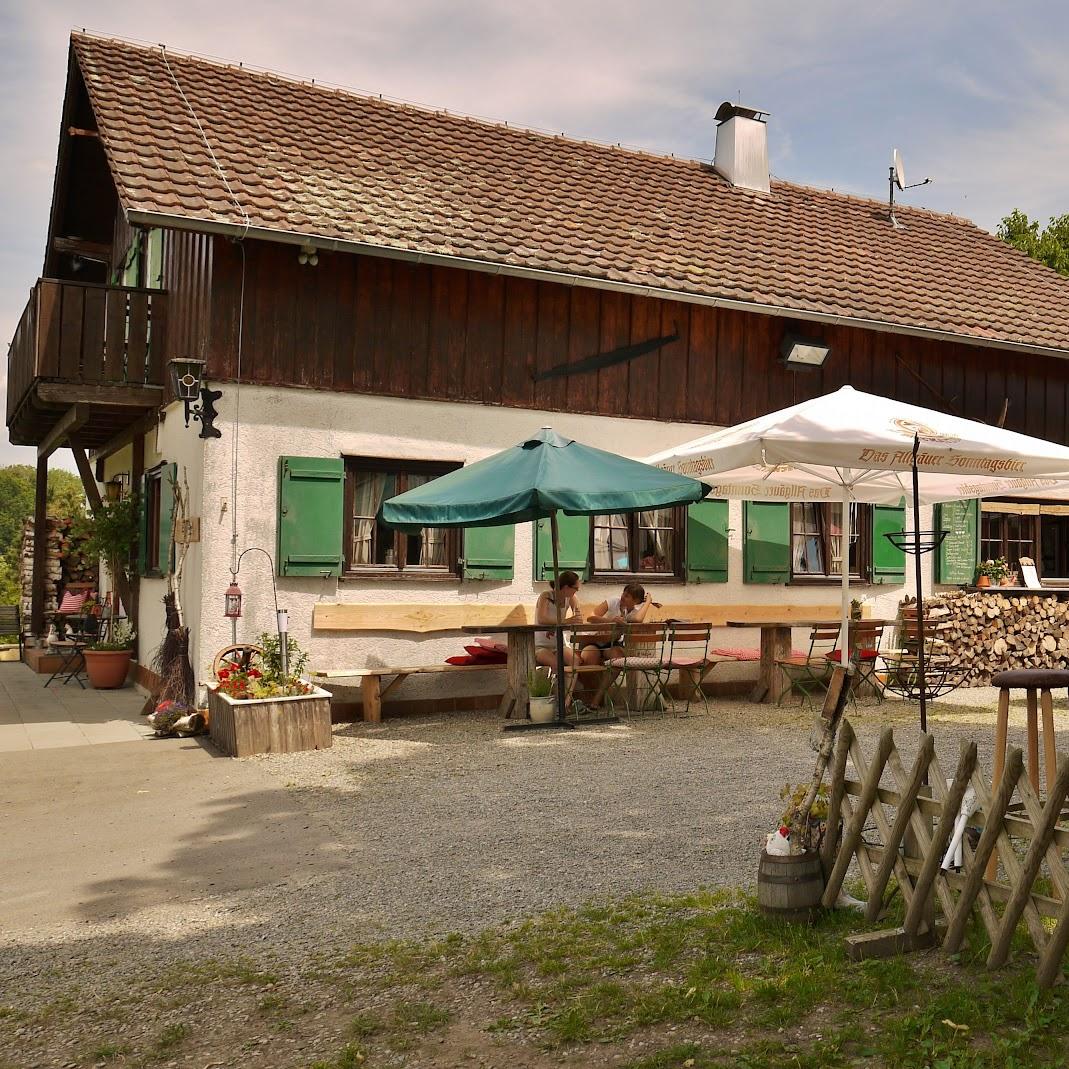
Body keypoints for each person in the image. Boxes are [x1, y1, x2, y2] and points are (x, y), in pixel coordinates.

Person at [582, 583, 658, 664]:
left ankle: (607, 677)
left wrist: (648, 602)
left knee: (619, 658)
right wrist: (611, 621)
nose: (622, 597)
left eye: (627, 596)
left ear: (635, 601)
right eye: (623, 593)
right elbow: (590, 618)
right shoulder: (613, 601)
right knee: (590, 657)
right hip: (594, 639)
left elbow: (638, 619)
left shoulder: (634, 611)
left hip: (612, 642)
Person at [534, 571, 583, 671]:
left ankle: (568, 687)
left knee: (576, 661)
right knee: (556, 664)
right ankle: (557, 687)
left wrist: (576, 615)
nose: (577, 591)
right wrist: (565, 621)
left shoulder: (571, 598)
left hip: (559, 644)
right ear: (566, 587)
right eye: (576, 588)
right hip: (540, 646)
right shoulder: (546, 596)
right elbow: (542, 619)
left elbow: (579, 618)